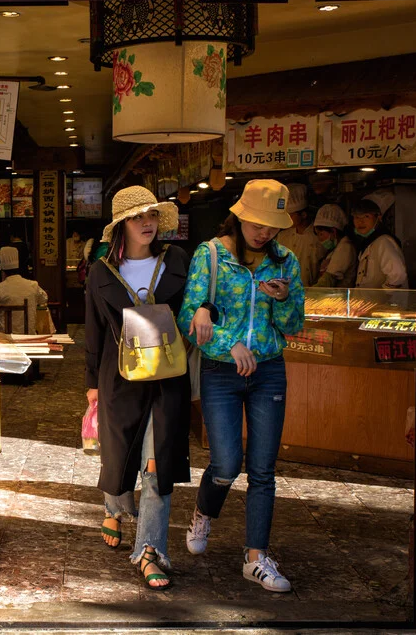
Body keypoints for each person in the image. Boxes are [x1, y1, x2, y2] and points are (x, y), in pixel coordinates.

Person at [179, 179, 305, 593]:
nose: (263, 232)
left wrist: (285, 300)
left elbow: (294, 326)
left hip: (268, 370)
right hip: (220, 372)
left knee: (263, 469)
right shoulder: (212, 255)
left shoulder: (285, 262)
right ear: (239, 214)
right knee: (227, 463)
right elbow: (188, 318)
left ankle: (256, 558)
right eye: (256, 221)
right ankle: (203, 512)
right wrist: (227, 342)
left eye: (272, 225)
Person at [84, 186, 191, 591]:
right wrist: (91, 384)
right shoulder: (101, 271)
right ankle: (112, 504)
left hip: (168, 377)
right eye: (137, 217)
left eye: (151, 215)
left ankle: (150, 550)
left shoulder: (177, 260)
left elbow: (199, 300)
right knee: (117, 452)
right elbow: (93, 330)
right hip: (118, 377)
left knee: (156, 462)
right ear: (121, 227)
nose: (147, 222)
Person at [0, 246, 47, 334]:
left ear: (2, 271)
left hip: (4, 337)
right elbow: (44, 299)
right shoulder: (33, 285)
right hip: (28, 336)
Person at [352, 198, 408, 288]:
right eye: (357, 217)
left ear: (378, 218)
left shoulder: (384, 241)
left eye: (366, 216)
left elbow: (398, 275)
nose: (360, 222)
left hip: (384, 301)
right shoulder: (368, 243)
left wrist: (383, 295)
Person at [276, 183, 323, 287]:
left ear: (303, 215)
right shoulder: (283, 236)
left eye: (291, 215)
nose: (287, 219)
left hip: (312, 291)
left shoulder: (319, 237)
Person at [312, 204, 357, 288]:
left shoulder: (345, 247)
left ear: (333, 231)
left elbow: (328, 280)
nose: (319, 238)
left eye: (321, 234)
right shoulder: (335, 249)